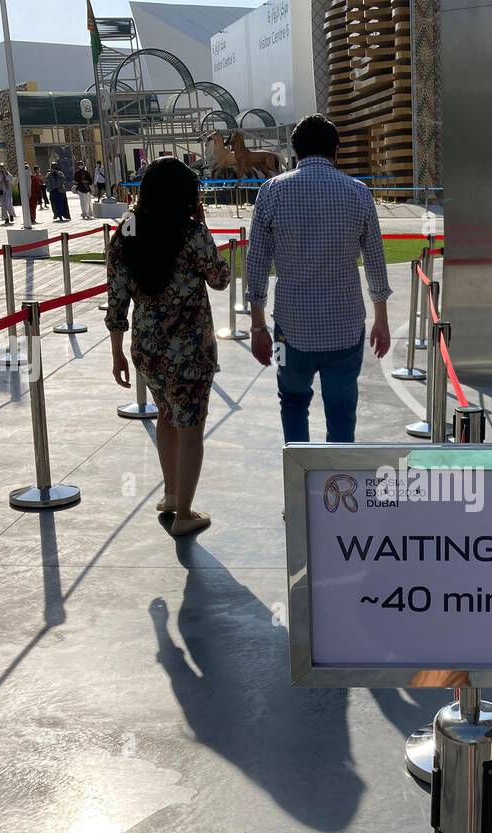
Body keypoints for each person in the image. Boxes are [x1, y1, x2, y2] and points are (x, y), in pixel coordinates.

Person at [245, 113, 392, 444]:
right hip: (346, 325)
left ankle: (299, 484)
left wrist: (257, 328)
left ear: (296, 152)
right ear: (336, 150)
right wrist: (381, 319)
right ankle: (337, 487)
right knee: (342, 414)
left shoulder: (271, 192)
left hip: (290, 328)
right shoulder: (358, 193)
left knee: (293, 403)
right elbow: (375, 260)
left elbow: (256, 264)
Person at [106, 158, 231, 537]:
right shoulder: (193, 234)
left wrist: (116, 353)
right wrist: (205, 228)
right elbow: (221, 279)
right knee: (191, 428)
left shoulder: (126, 231)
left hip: (147, 347)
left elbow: (116, 299)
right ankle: (185, 514)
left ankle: (172, 494)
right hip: (190, 350)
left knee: (166, 417)